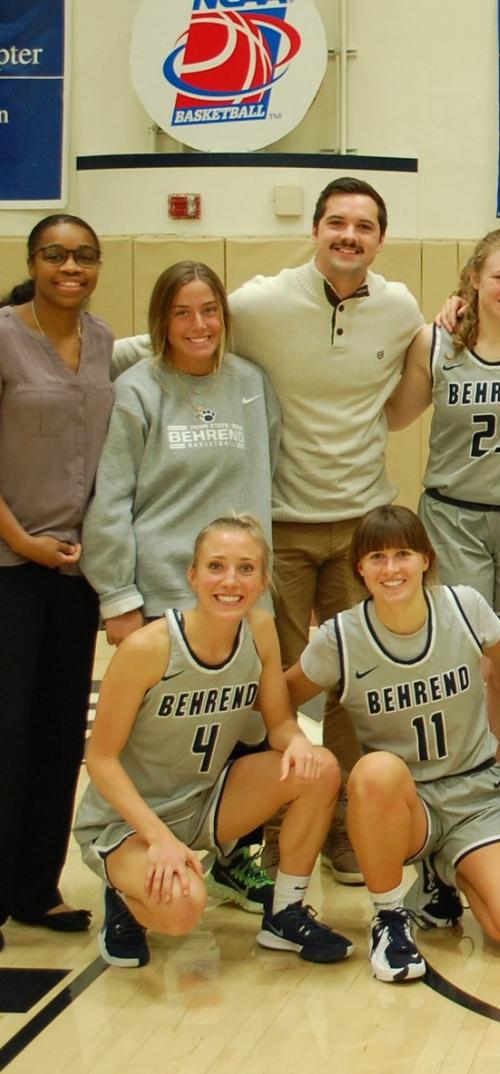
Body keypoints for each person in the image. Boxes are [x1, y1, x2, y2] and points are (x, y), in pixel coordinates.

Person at [236, 176, 427, 884]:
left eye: (365, 226)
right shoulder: (259, 304)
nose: (350, 235)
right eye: (337, 223)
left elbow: (406, 401)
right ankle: (281, 828)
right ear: (315, 229)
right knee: (278, 686)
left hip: (360, 529)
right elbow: (177, 332)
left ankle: (348, 828)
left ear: (380, 238)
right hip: (279, 526)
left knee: (359, 685)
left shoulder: (399, 307)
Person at [286, 506, 500, 983]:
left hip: (475, 798)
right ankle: (389, 917)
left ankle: (447, 873)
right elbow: (282, 696)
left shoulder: (462, 607)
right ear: (360, 567)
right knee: (373, 771)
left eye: (402, 554)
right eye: (377, 557)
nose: (391, 568)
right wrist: (288, 734)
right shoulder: (341, 636)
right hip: (402, 805)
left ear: (425, 559)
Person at [81, 260, 283, 914]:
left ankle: (233, 856)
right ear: (161, 322)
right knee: (152, 740)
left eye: (209, 311)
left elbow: (267, 473)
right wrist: (119, 598)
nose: (198, 325)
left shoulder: (252, 384)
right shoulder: (139, 390)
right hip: (164, 596)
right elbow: (110, 502)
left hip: (241, 594)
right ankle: (127, 862)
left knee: (244, 722)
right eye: (182, 312)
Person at [74, 516, 352, 968]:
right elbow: (100, 759)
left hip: (204, 802)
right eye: (216, 566)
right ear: (193, 575)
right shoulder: (148, 648)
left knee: (319, 767)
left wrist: (297, 742)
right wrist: (157, 837)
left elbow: (279, 721)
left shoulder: (260, 630)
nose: (230, 580)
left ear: (263, 581)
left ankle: (285, 912)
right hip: (127, 822)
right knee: (184, 908)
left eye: (246, 569)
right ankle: (124, 896)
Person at [385, 229, 500, 772]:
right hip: (453, 517)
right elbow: (396, 417)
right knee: (462, 669)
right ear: (473, 278)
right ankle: (451, 785)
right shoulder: (434, 341)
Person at [0, 214, 113, 949]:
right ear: (34, 261)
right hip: (10, 565)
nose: (69, 267)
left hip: (78, 575)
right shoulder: (4, 334)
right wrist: (23, 542)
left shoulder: (103, 341)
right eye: (55, 255)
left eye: (83, 256)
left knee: (55, 733)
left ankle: (35, 887)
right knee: (5, 731)